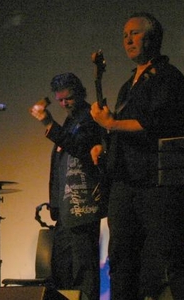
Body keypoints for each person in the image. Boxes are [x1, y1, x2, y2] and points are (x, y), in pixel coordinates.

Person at [90, 12, 184, 299]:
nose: (127, 40)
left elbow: (157, 122)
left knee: (169, 256)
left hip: (156, 184)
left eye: (134, 33)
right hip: (125, 182)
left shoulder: (168, 77)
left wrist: (111, 124)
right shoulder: (128, 84)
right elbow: (124, 129)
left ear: (152, 36)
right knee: (121, 258)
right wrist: (104, 143)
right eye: (124, 35)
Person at [30, 73, 106, 300]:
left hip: (82, 209)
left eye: (68, 99)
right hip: (67, 211)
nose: (64, 104)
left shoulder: (89, 117)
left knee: (84, 271)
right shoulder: (72, 120)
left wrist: (48, 124)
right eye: (60, 100)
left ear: (79, 93)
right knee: (62, 268)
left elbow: (80, 147)